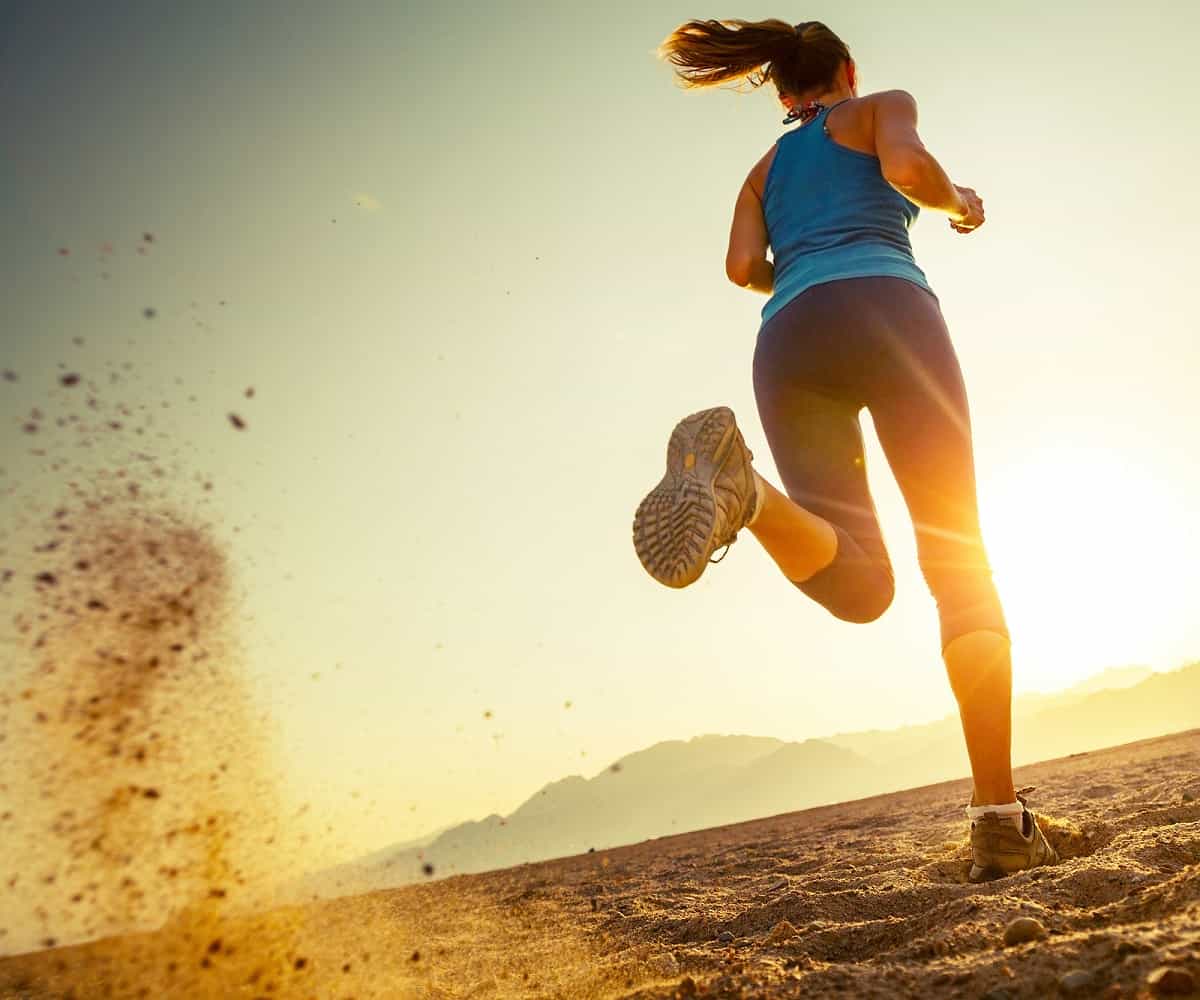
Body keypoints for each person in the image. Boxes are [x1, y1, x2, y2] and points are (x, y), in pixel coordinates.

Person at [632, 17, 1058, 882]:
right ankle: (996, 817)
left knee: (861, 586)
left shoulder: (761, 171)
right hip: (888, 310)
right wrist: (957, 204)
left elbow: (743, 267)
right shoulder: (877, 109)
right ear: (847, 73)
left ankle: (743, 493)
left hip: (787, 340)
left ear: (783, 93)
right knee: (957, 563)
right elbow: (907, 170)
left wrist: (798, 258)